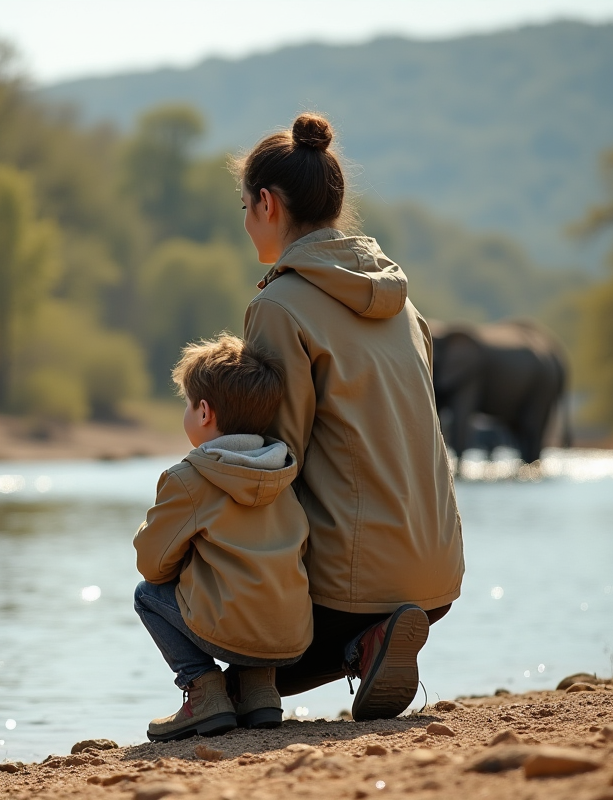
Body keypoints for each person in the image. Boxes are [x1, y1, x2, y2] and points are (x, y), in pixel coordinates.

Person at [235, 112, 464, 721]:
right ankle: (370, 641)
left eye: (245, 208)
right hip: (436, 579)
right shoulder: (403, 304)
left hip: (353, 587)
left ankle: (357, 640)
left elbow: (274, 459)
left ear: (267, 203)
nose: (246, 222)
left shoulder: (280, 305)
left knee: (194, 552)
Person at [133, 333, 313, 742]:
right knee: (256, 576)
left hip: (229, 632)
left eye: (186, 404)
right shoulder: (286, 472)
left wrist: (155, 536)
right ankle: (259, 692)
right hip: (290, 636)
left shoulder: (190, 479)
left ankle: (203, 691)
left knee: (147, 593)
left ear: (203, 412)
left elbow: (152, 564)